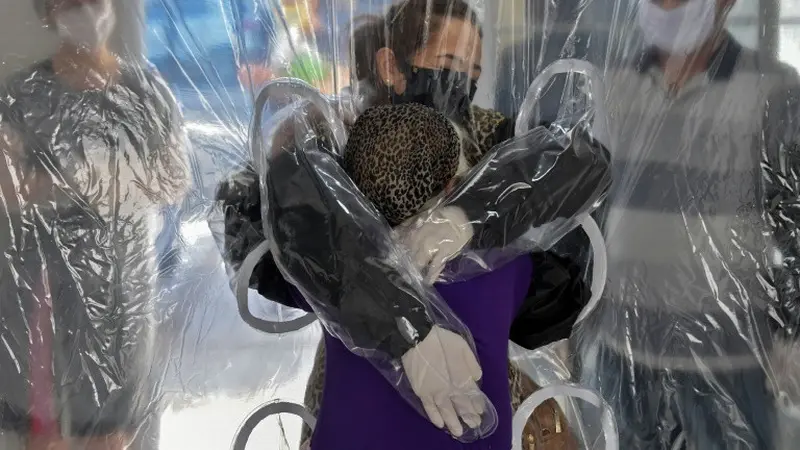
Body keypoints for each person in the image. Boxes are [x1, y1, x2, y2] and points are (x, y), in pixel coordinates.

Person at [216, 0, 610, 448]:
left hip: (471, 384)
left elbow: (582, 162)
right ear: (391, 64)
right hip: (355, 381)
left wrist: (471, 215)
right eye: (448, 64)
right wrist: (402, 322)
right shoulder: (336, 137)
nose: (464, 81)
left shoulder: (491, 140)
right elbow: (261, 214)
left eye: (474, 69)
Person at [572, 0, 799, 448]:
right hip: (625, 360)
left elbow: (794, 216)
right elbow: (583, 210)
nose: (666, 6)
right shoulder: (610, 84)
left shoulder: (773, 88)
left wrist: (794, 330)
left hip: (733, 367)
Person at [0, 0, 190, 449]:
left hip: (121, 297)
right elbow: (6, 188)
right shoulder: (21, 95)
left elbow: (175, 179)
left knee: (111, 437)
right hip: (41, 294)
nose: (84, 9)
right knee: (43, 436)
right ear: (48, 14)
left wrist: (79, 177)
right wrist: (89, 180)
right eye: (69, 2)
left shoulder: (146, 90)